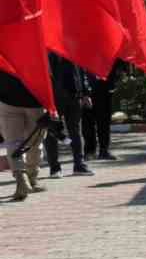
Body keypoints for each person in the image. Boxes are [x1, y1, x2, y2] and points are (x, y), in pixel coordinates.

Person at [0, 69, 47, 201]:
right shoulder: (38, 49)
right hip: (35, 100)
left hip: (7, 99)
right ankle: (32, 178)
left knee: (12, 143)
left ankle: (21, 178)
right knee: (35, 141)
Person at [43, 54, 92, 176]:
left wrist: (86, 93)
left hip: (73, 95)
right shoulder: (46, 48)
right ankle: (54, 167)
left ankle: (79, 165)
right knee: (52, 131)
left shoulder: (72, 47)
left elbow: (81, 70)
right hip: (53, 97)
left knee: (75, 131)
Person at [82, 62, 120, 161]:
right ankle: (90, 151)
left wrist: (113, 82)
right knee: (88, 123)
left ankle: (104, 150)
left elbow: (115, 64)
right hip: (88, 90)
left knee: (104, 122)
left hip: (104, 88)